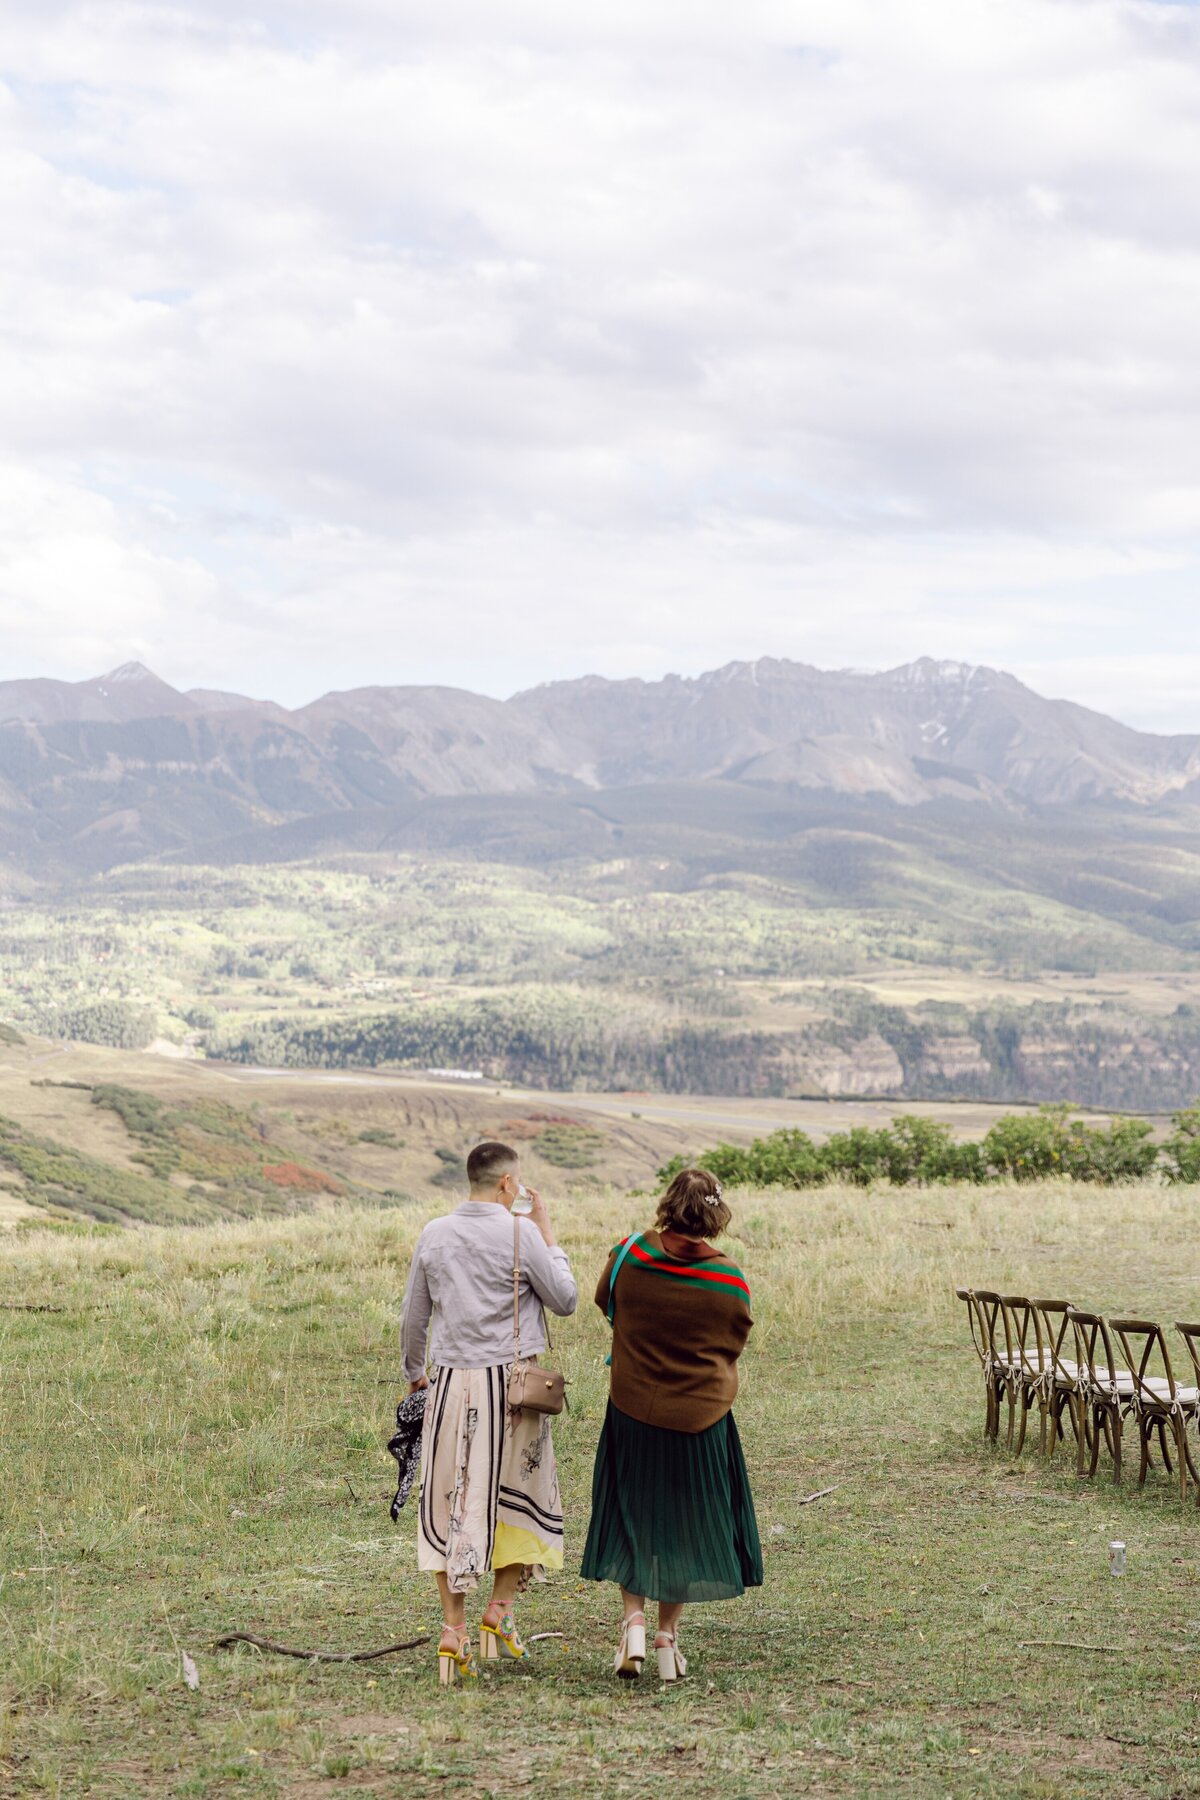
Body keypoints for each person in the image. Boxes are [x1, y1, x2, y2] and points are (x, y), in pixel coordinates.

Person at [401, 1140, 577, 1684]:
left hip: (452, 1384)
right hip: (512, 1388)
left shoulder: (434, 1232)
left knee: (452, 1499)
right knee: (518, 1500)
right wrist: (547, 1229)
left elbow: (413, 1317)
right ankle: (497, 1613)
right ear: (506, 1184)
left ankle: (453, 1632)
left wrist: (416, 1375)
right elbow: (565, 1299)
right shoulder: (521, 1232)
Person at [580, 1167, 762, 1680]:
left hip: (633, 1408)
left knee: (632, 1509)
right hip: (701, 1419)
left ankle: (632, 1623)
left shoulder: (630, 1253)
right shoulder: (727, 1276)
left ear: (668, 1203)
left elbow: (605, 1302)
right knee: (684, 1522)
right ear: (715, 1212)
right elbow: (735, 1337)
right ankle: (666, 1639)